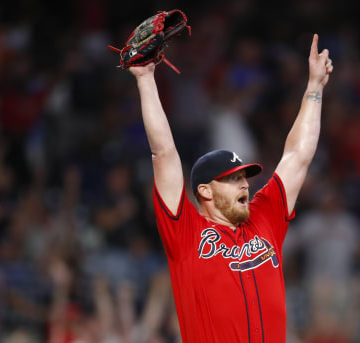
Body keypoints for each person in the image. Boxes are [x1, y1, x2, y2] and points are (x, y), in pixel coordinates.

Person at [127, 33, 332, 342]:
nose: (244, 184)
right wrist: (145, 79)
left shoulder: (265, 219)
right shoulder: (186, 233)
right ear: (206, 191)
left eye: (244, 177)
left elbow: (297, 156)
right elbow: (164, 153)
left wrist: (314, 88)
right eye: (233, 178)